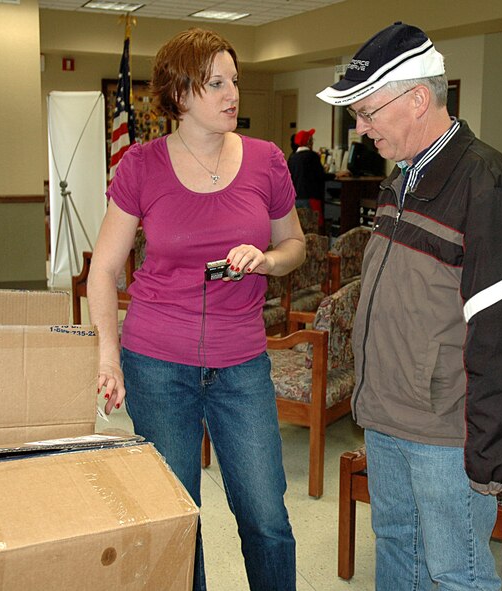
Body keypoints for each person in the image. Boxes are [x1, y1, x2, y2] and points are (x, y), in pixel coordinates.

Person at [317, 22, 502, 591]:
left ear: (418, 99)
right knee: (396, 546)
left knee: (456, 573)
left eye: (368, 112)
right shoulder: (403, 179)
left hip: (447, 435)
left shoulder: (491, 186)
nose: (361, 128)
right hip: (387, 415)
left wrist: (491, 460)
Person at [88, 28, 304, 591]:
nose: (233, 94)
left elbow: (294, 247)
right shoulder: (141, 165)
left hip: (241, 362)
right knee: (180, 516)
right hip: (156, 362)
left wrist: (266, 260)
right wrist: (108, 358)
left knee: (267, 518)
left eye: (235, 81)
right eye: (216, 84)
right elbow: (104, 272)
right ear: (181, 94)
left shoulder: (266, 160)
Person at [287, 128, 331, 229]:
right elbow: (321, 176)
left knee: (300, 227)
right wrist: (335, 175)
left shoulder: (292, 158)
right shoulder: (312, 156)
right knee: (314, 226)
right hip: (311, 197)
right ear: (308, 142)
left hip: (296, 199)